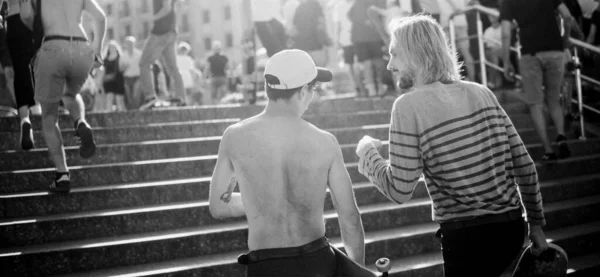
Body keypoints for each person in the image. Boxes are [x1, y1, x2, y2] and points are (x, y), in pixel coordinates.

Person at [355, 15, 548, 277]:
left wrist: (367, 153)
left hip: (465, 239)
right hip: (512, 229)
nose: (389, 65)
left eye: (395, 55)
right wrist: (536, 224)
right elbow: (525, 166)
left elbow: (400, 190)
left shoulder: (407, 106)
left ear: (415, 54)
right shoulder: (481, 92)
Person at [209, 49, 367, 277]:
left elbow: (218, 205)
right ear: (303, 91)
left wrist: (262, 200)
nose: (312, 96)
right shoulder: (324, 142)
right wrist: (357, 270)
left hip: (265, 266)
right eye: (313, 89)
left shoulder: (234, 136)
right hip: (317, 262)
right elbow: (350, 218)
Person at [20, 0, 106, 193]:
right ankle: (81, 122)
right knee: (70, 93)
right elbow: (101, 17)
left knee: (49, 116)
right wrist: (97, 49)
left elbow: (26, 15)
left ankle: (62, 175)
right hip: (81, 47)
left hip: (52, 46)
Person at [501, 0, 575, 161]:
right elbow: (567, 16)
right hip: (556, 51)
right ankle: (561, 135)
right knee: (554, 100)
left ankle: (548, 150)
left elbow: (506, 33)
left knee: (535, 103)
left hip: (530, 54)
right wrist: (565, 38)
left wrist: (506, 62)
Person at [138, 0, 186, 110]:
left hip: (160, 32)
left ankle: (150, 98)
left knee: (144, 64)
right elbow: (179, 6)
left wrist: (152, 18)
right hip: (171, 31)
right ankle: (180, 98)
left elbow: (166, 7)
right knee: (172, 68)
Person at [3, 0, 36, 150]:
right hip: (31, 17)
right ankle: (37, 110)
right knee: (35, 67)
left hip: (12, 20)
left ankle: (25, 119)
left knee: (20, 70)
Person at [349, 0, 387, 97]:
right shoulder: (376, 2)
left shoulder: (356, 4)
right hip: (374, 37)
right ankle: (380, 85)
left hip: (360, 37)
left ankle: (372, 88)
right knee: (377, 61)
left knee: (367, 64)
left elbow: (350, 16)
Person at [333, 0, 365, 94]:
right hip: (348, 39)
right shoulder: (339, 6)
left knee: (357, 63)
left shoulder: (356, 3)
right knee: (351, 63)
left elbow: (337, 25)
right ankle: (357, 86)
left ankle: (361, 85)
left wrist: (337, 39)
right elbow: (337, 24)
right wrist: (337, 39)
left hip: (357, 38)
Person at [102, 40, 126, 112]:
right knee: (109, 98)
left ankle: (121, 116)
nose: (112, 48)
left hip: (118, 79)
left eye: (113, 47)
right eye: (110, 47)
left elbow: (123, 68)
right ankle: (109, 115)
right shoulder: (105, 59)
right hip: (108, 81)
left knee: (119, 100)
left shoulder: (120, 57)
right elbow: (103, 70)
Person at [121, 36, 142, 109]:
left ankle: (137, 111)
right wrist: (124, 67)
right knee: (129, 96)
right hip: (127, 78)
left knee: (136, 95)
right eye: (128, 43)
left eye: (131, 43)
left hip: (137, 77)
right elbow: (120, 69)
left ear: (134, 44)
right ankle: (130, 111)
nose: (129, 45)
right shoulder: (123, 55)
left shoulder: (139, 54)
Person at [483, 12, 503, 89]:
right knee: (493, 57)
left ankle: (491, 82)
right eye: (490, 16)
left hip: (502, 51)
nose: (491, 17)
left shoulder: (503, 28)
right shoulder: (487, 30)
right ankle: (493, 82)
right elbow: (484, 46)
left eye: (493, 15)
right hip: (490, 51)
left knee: (494, 57)